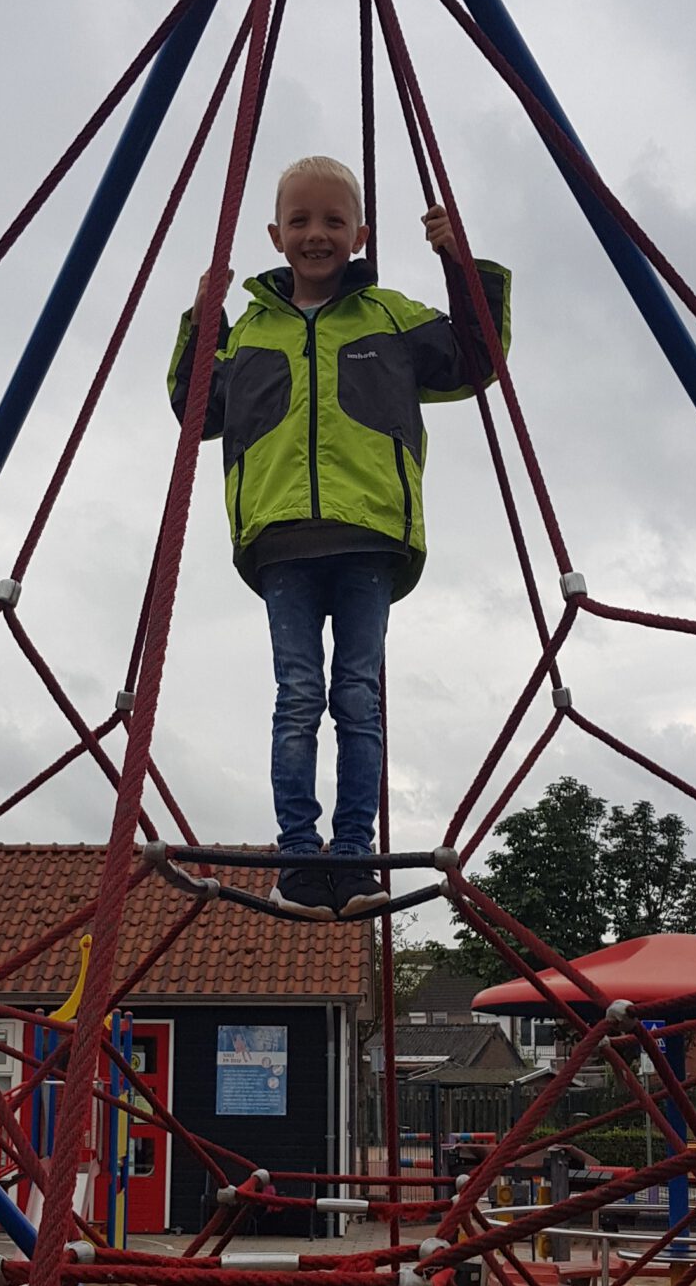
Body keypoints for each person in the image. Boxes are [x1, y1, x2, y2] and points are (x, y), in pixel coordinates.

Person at [169, 155, 510, 917]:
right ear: (276, 235)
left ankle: (353, 856)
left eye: (332, 221)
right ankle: (299, 857)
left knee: (357, 696)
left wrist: (459, 264)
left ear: (360, 234)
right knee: (298, 694)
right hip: (282, 535)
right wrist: (203, 321)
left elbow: (475, 356)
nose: (316, 234)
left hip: (368, 532)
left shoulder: (389, 317)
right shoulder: (251, 331)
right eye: (300, 221)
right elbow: (195, 409)